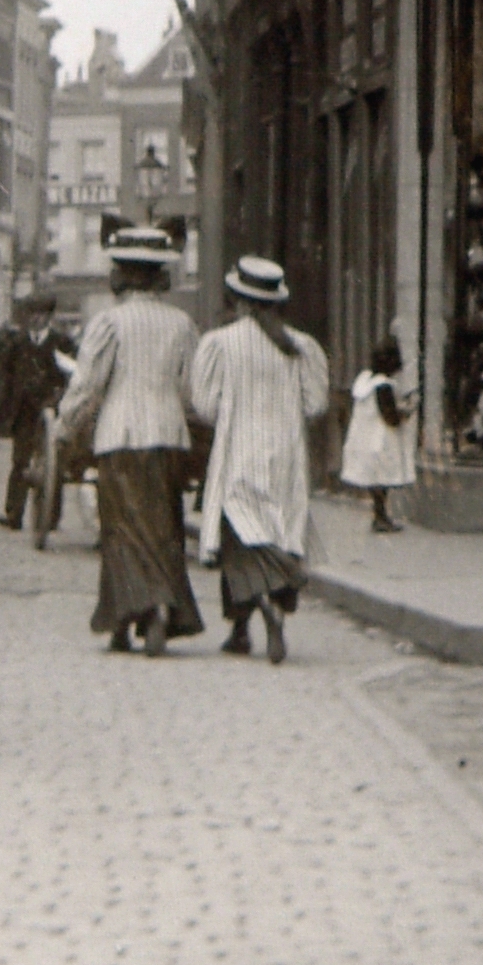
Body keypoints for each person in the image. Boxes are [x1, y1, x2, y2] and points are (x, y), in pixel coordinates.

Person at [54, 225, 202, 655]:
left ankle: (135, 612)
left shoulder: (108, 323)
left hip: (120, 436)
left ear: (123, 274)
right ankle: (144, 614)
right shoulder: (182, 324)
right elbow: (190, 391)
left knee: (121, 530)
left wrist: (65, 427)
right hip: (168, 436)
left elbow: (88, 385)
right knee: (163, 526)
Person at [189, 256, 331, 663]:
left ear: (240, 302)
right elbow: (316, 404)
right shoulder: (302, 346)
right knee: (279, 530)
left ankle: (261, 608)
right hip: (286, 456)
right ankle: (256, 622)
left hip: (239, 451)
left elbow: (205, 406)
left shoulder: (220, 343)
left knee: (241, 541)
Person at [0, 289, 72, 530]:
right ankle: (14, 513)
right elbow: (7, 376)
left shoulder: (61, 342)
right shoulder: (17, 343)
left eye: (41, 314)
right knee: (20, 460)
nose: (35, 319)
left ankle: (50, 517)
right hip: (24, 411)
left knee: (53, 463)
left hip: (52, 409)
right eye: (31, 313)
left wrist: (59, 397)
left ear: (49, 317)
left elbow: (71, 373)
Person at [340, 334, 415, 532]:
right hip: (381, 441)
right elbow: (390, 416)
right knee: (383, 480)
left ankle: (379, 515)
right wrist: (406, 412)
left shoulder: (365, 381)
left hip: (366, 438)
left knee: (375, 481)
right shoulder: (383, 386)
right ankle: (381, 517)